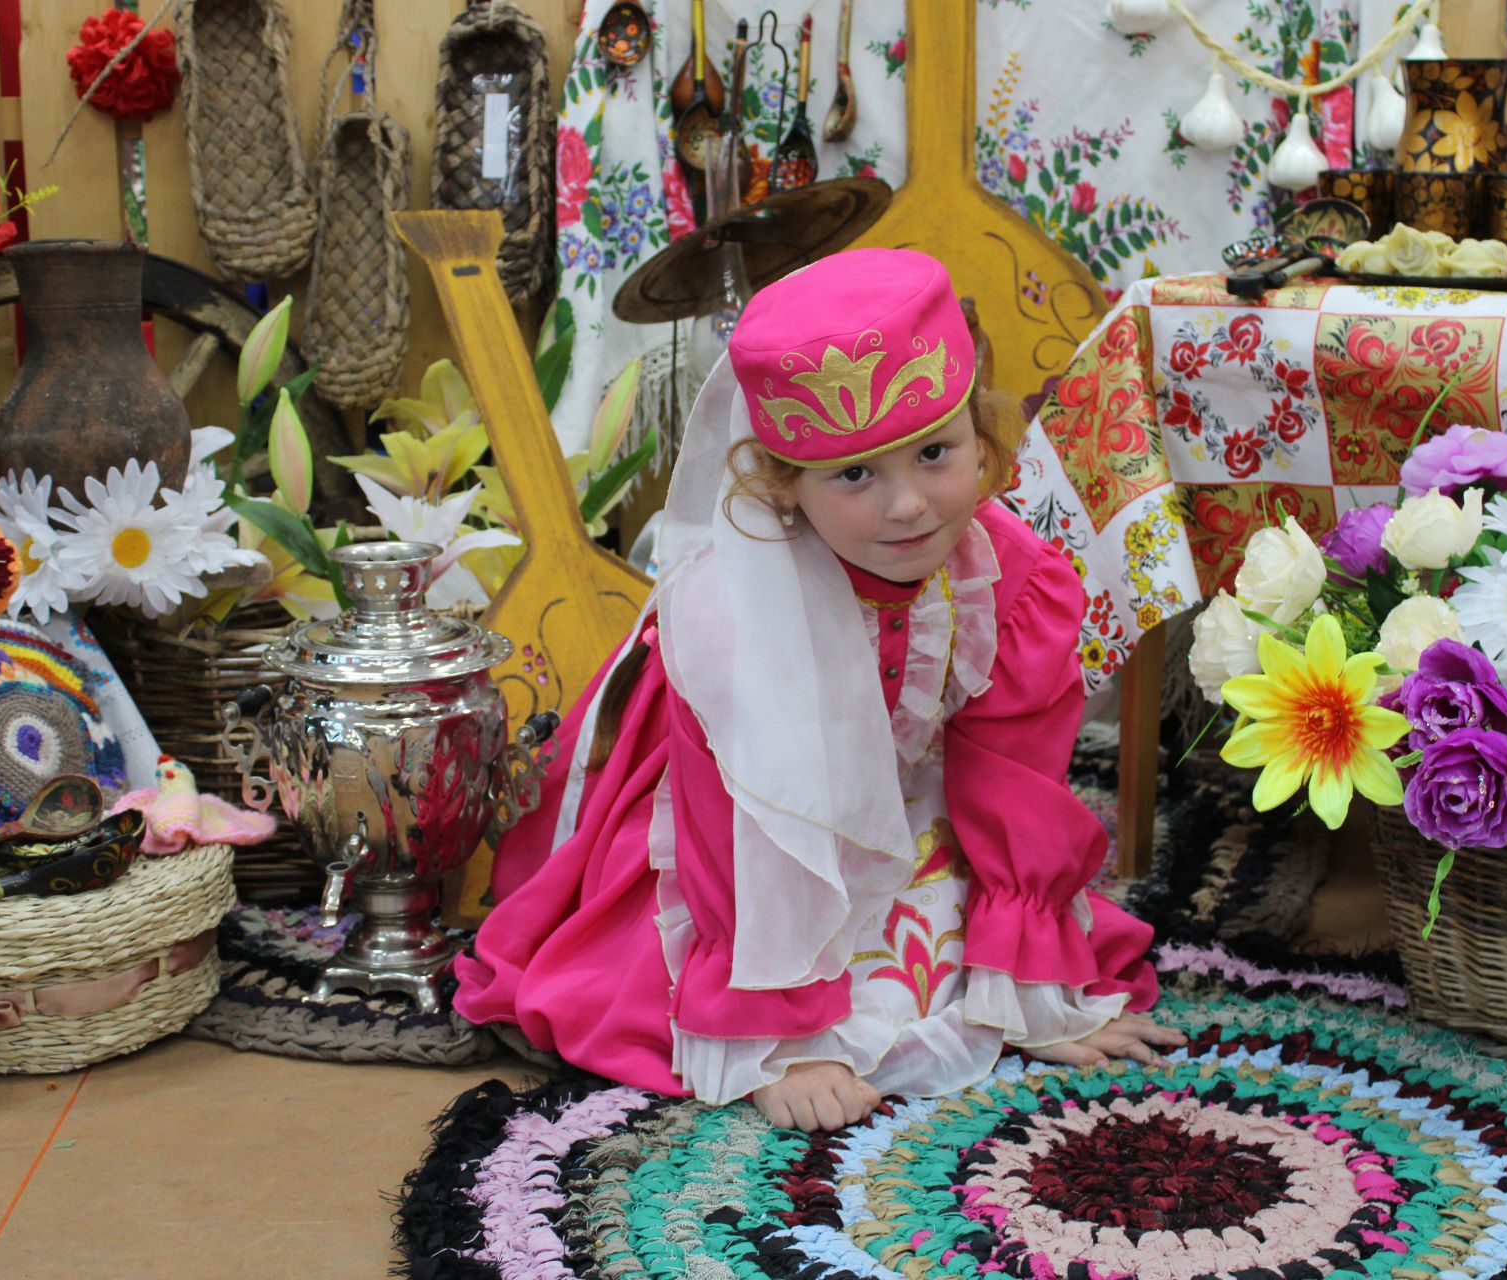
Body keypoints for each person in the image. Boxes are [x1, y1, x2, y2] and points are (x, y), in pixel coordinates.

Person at [452, 248, 1178, 1132]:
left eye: (936, 454)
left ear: (979, 435)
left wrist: (1028, 985)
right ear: (784, 485)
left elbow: (1013, 779)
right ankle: (769, 1001)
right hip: (740, 827)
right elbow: (734, 824)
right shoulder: (739, 611)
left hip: (907, 799)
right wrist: (777, 1040)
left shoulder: (1005, 579)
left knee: (940, 972)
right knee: (665, 980)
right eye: (855, 474)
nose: (908, 506)